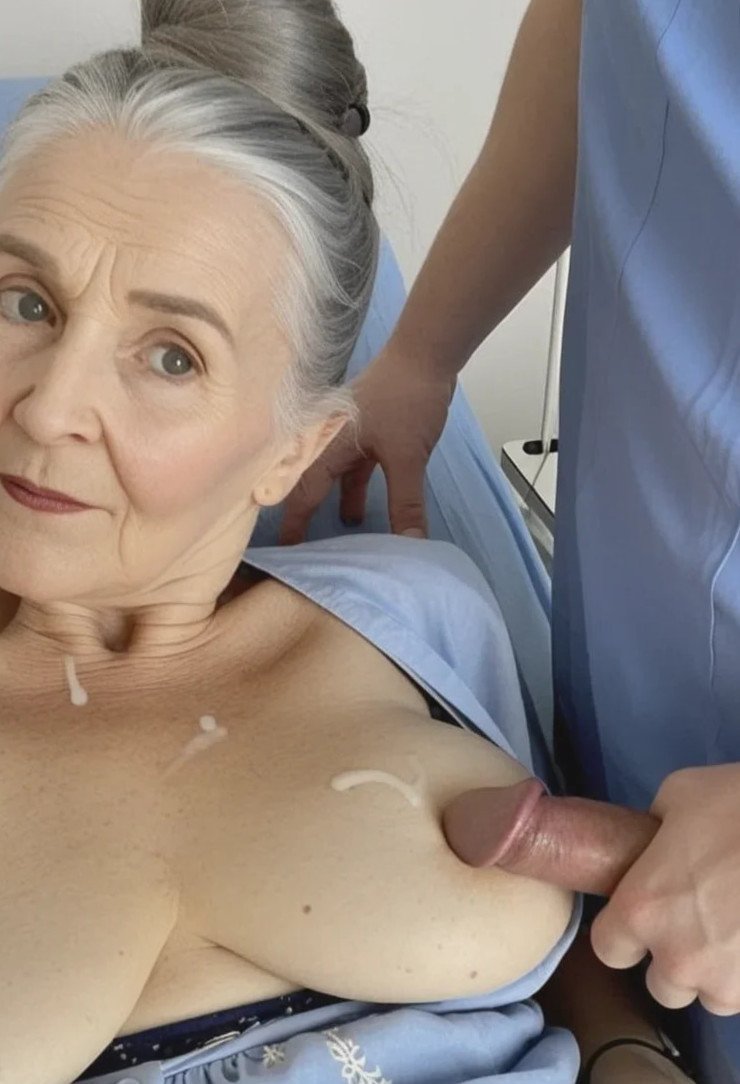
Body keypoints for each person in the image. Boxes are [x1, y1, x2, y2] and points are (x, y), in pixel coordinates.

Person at [0, 2, 696, 1083]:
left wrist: (628, 1053)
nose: (49, 409)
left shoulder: (415, 612)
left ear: (295, 449)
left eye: (172, 356)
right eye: (25, 302)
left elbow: (577, 941)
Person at [282, 1, 740, 1081]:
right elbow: (609, 28)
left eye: (173, 355)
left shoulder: (403, 622)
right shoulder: (419, 614)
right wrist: (421, 353)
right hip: (639, 602)